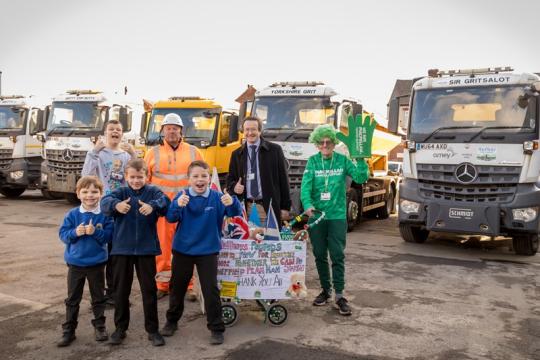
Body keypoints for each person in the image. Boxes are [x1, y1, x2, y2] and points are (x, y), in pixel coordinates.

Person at [161, 160, 242, 345]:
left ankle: (216, 327)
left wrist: (233, 201)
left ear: (208, 178)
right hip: (183, 250)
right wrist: (177, 206)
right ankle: (171, 322)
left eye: (203, 176)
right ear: (188, 179)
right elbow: (170, 217)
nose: (200, 180)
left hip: (208, 250)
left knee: (210, 289)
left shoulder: (216, 197)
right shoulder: (182, 196)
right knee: (177, 287)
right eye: (195, 176)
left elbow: (234, 213)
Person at [300, 124, 369, 316]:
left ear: (333, 142)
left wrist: (361, 159)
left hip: (337, 216)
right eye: (321, 142)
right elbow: (306, 187)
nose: (325, 145)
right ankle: (325, 290)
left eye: (328, 141)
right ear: (316, 143)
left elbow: (361, 177)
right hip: (317, 216)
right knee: (320, 254)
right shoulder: (312, 162)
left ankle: (339, 295)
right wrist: (307, 205)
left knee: (337, 255)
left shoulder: (342, 160)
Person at [101, 159, 170, 346]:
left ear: (147, 176)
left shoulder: (152, 192)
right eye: (132, 177)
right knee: (121, 291)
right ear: (126, 177)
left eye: (140, 177)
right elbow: (104, 202)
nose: (136, 180)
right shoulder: (121, 192)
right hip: (122, 249)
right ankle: (120, 329)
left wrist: (153, 206)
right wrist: (116, 205)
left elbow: (166, 201)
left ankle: (153, 330)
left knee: (149, 291)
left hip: (146, 250)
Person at [144, 113, 203, 299]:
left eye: (175, 128)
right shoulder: (152, 153)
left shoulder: (194, 151)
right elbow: (145, 181)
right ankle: (162, 284)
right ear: (162, 131)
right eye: (167, 128)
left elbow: (203, 177)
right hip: (163, 209)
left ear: (181, 131)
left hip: (188, 208)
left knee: (188, 247)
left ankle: (188, 286)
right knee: (163, 247)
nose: (171, 131)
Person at [82, 119, 137, 307]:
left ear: (122, 134)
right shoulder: (98, 154)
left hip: (120, 210)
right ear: (105, 133)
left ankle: (115, 293)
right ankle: (99, 296)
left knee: (117, 254)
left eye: (118, 129)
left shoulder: (125, 156)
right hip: (102, 210)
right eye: (111, 129)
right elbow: (86, 175)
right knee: (101, 252)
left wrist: (133, 153)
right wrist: (94, 151)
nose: (115, 132)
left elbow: (138, 176)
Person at [57, 176, 114, 347]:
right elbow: (63, 235)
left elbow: (109, 237)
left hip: (96, 264)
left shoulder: (105, 215)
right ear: (78, 194)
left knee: (98, 297)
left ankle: (100, 326)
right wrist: (75, 233)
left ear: (101, 194)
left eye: (94, 191)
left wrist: (95, 232)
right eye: (85, 191)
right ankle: (69, 331)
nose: (90, 195)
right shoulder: (72, 215)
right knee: (73, 298)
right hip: (75, 264)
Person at [226, 116, 291, 227]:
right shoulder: (236, 154)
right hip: (246, 208)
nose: (250, 133)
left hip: (268, 208)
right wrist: (234, 187)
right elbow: (230, 180)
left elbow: (283, 180)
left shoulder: (275, 150)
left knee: (270, 242)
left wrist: (285, 207)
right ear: (243, 131)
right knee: (248, 243)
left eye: (253, 129)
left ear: (260, 131)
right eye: (247, 130)